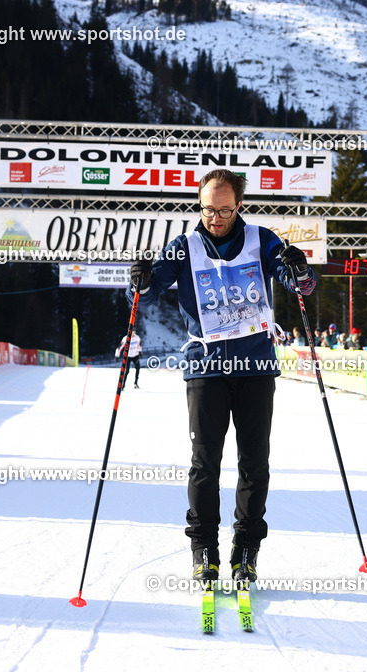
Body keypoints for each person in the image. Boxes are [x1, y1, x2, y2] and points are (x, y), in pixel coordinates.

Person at [128, 169, 316, 585]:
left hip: (255, 366)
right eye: (209, 209)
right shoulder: (184, 248)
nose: (216, 218)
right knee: (204, 463)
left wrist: (298, 269)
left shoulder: (262, 240)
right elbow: (143, 293)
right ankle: (204, 551)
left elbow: (300, 286)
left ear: (240, 205)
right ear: (199, 205)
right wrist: (138, 281)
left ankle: (246, 551)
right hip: (205, 368)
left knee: (254, 462)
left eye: (225, 210)